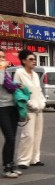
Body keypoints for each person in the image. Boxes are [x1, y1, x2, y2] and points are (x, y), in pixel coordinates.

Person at [14, 49, 46, 170]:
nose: (34, 61)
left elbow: (39, 91)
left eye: (34, 59)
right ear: (23, 61)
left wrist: (43, 102)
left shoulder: (36, 75)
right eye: (31, 59)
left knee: (38, 135)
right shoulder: (19, 73)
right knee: (27, 135)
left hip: (39, 109)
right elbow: (17, 92)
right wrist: (29, 103)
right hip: (27, 109)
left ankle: (34, 159)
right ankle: (23, 160)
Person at [0, 48, 22, 178]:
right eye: (0, 57)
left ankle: (11, 163)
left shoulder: (6, 72)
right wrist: (2, 69)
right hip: (2, 108)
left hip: (12, 107)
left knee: (13, 137)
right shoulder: (2, 72)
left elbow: (10, 86)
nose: (2, 59)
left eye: (3, 57)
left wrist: (18, 86)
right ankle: (6, 167)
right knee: (9, 137)